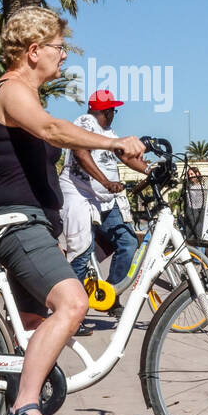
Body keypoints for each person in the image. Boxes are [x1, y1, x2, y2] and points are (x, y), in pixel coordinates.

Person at [0, 7, 144, 415]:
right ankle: (26, 409)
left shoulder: (26, 95)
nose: (63, 58)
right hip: (20, 223)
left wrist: (133, 157)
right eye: (58, 49)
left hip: (31, 221)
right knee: (74, 303)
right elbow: (52, 129)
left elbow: (60, 135)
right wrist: (113, 142)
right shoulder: (12, 90)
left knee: (35, 327)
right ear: (33, 51)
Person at [57, 89, 151, 320]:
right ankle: (71, 313)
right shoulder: (85, 122)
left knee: (128, 241)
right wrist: (106, 182)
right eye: (113, 110)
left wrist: (150, 170)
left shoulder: (108, 132)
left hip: (106, 201)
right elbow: (80, 151)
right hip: (80, 195)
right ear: (106, 111)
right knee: (80, 254)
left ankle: (108, 295)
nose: (114, 114)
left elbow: (126, 157)